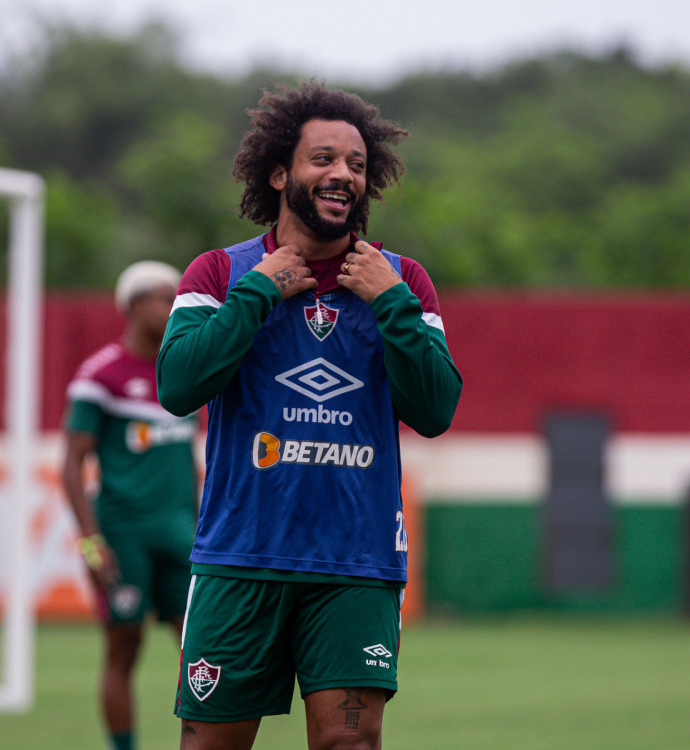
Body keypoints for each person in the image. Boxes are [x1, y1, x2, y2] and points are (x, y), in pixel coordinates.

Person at [157, 80, 463, 750]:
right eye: (323, 159)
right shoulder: (220, 273)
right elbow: (177, 387)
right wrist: (257, 293)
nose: (342, 174)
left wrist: (391, 305)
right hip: (240, 558)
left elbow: (436, 409)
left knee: (348, 743)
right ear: (279, 174)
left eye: (356, 164)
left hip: (356, 563)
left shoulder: (402, 281)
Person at [62, 260, 199, 750]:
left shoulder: (185, 371)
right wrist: (91, 545)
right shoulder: (100, 374)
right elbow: (71, 463)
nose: (176, 306)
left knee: (202, 650)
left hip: (182, 533)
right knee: (124, 648)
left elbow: (191, 461)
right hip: (124, 534)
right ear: (137, 305)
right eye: (167, 297)